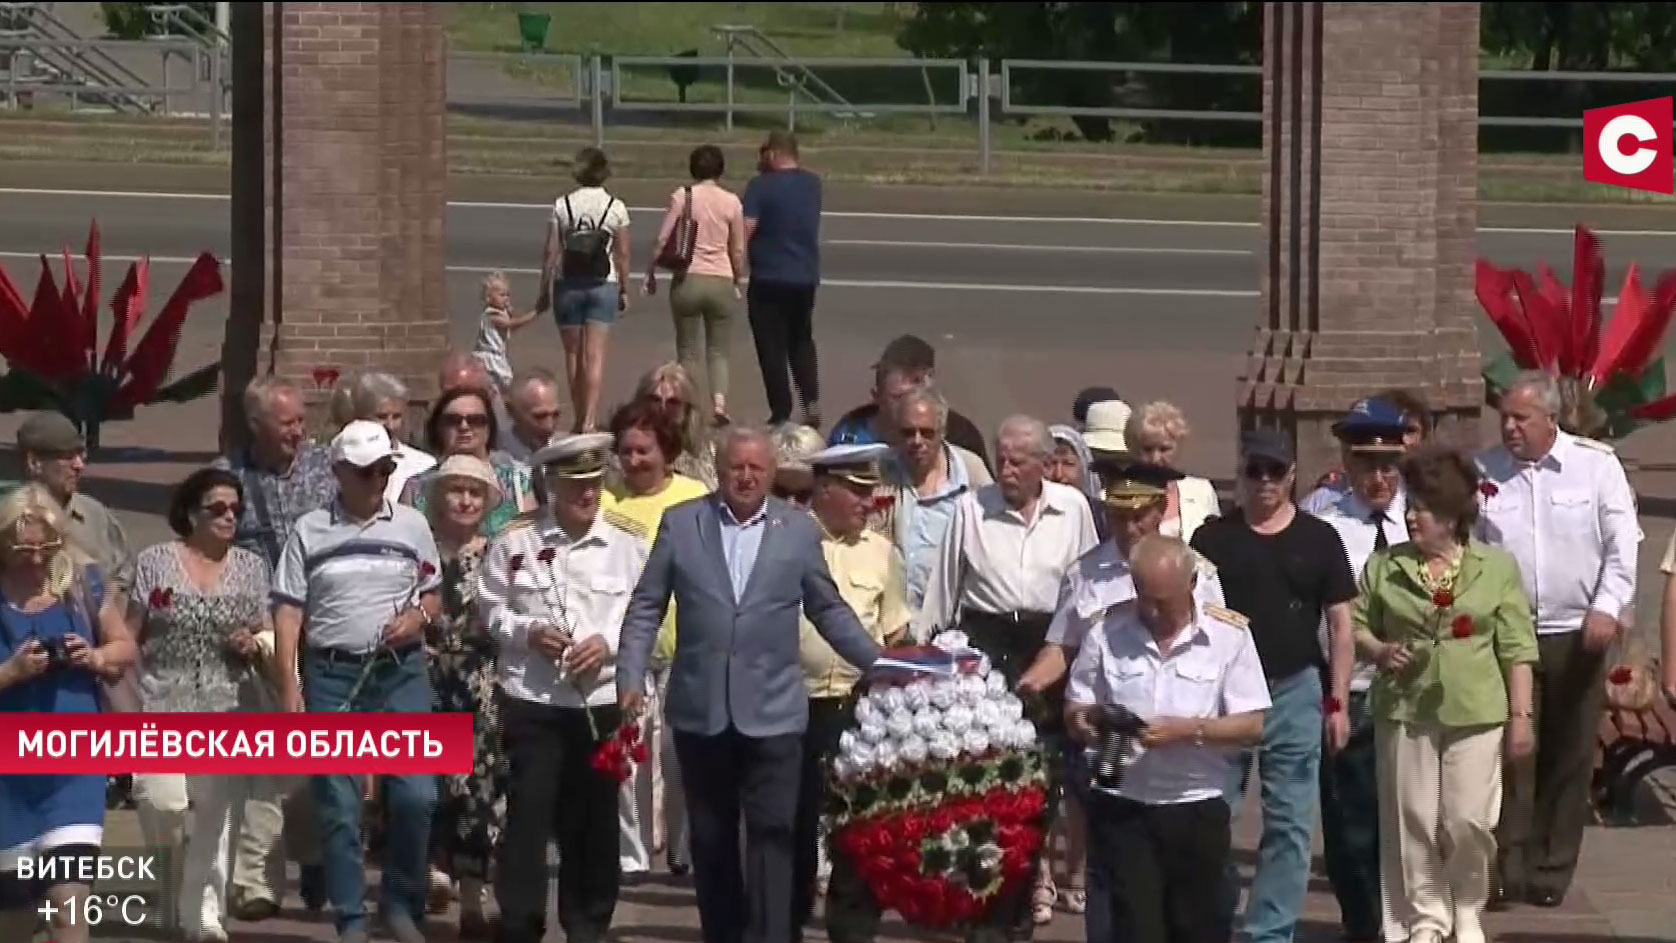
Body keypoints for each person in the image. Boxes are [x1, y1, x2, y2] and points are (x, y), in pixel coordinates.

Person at [617, 426, 884, 943]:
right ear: (719, 471)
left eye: (755, 468)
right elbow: (647, 605)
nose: (745, 476)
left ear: (770, 474)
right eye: (736, 467)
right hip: (702, 710)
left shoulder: (797, 531)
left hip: (776, 713)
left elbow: (827, 609)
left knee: (773, 838)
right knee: (712, 841)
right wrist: (630, 674)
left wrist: (879, 664)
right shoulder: (682, 524)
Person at [1018, 458, 1225, 941]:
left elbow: (1219, 651)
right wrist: (1024, 687)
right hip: (1105, 746)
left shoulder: (1197, 573)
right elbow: (1061, 647)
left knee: (1184, 891)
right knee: (1109, 875)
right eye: (1118, 516)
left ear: (1160, 510)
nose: (1129, 528)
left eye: (1139, 516)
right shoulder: (1087, 573)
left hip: (1179, 758)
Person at [912, 415, 1100, 936]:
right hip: (986, 645)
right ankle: (994, 896)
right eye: (1001, 457)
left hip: (1049, 644)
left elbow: (1085, 588)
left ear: (1044, 463)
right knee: (987, 781)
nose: (1007, 468)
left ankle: (1027, 883)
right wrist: (930, 665)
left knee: (1042, 780)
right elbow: (942, 593)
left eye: (1019, 459)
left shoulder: (1073, 510)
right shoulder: (972, 508)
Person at [271, 421, 444, 943]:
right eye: (367, 472)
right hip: (332, 673)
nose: (377, 481)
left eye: (385, 471)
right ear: (340, 472)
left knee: (417, 795)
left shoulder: (413, 525)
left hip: (400, 672)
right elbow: (287, 614)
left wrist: (418, 618)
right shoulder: (309, 531)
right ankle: (350, 917)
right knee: (340, 806)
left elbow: (432, 592)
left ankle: (400, 901)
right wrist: (290, 686)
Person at [1356, 446, 1536, 943]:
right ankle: (1427, 920)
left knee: (1467, 820)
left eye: (1425, 509)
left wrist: (1522, 717)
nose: (1412, 516)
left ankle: (1468, 906)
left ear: (1454, 516)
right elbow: (1354, 624)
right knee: (1411, 817)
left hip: (1477, 708)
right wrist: (1378, 650)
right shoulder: (1385, 566)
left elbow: (1519, 646)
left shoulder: (1496, 568)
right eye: (1411, 505)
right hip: (1405, 708)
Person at [477, 433, 651, 943]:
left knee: (594, 821)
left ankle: (588, 924)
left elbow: (647, 612)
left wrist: (610, 645)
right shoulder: (515, 540)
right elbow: (489, 607)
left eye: (595, 483)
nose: (588, 494)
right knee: (528, 815)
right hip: (532, 699)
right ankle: (520, 923)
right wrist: (528, 633)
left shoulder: (629, 541)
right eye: (576, 484)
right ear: (550, 484)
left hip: (598, 701)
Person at [1477, 371, 1639, 909]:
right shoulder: (1486, 472)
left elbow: (1622, 547)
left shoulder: (1595, 467)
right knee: (1513, 752)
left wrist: (1606, 608)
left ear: (1551, 419)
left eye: (1520, 418)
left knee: (1568, 756)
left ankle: (1550, 871)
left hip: (1578, 634)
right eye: (1504, 417)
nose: (1509, 427)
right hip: (1509, 637)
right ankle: (1505, 866)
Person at [1190, 428, 1356, 943]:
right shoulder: (1212, 538)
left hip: (1295, 690)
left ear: (1291, 475)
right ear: (1241, 472)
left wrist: (1338, 702)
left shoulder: (1318, 537)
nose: (1264, 482)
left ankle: (1270, 932)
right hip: (1226, 695)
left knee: (1290, 823)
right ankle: (1212, 920)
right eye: (1254, 470)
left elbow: (1341, 624)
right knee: (1214, 818)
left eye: (1275, 471)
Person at [1065, 534, 1270, 943]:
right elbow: (1076, 707)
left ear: (1192, 585)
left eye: (1164, 601)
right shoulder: (1107, 632)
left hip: (1194, 806)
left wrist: (1189, 730)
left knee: (1197, 928)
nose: (1152, 611)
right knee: (1136, 929)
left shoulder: (1228, 636)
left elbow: (1251, 725)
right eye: (1144, 597)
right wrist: (1089, 722)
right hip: (1124, 804)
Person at [130, 468, 274, 942]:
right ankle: (169, 890)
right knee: (162, 801)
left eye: (235, 509)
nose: (229, 516)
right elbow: (131, 633)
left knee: (216, 816)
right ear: (191, 513)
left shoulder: (252, 567)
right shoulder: (154, 562)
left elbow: (267, 629)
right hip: (160, 700)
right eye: (217, 508)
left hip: (227, 703)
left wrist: (253, 641)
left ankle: (205, 916)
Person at [213, 376, 335, 917]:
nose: (299, 432)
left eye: (301, 420)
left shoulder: (326, 467)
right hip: (257, 634)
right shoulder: (226, 479)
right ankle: (257, 882)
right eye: (287, 423)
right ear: (257, 426)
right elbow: (211, 558)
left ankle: (313, 854)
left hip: (322, 626)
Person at [0, 484, 137, 943]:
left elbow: (123, 648)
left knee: (68, 910)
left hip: (74, 767)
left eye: (47, 547)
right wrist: (12, 672)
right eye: (24, 549)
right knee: (15, 918)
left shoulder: (82, 581)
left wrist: (94, 658)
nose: (37, 559)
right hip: (9, 777)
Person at [792, 444, 912, 938]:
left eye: (872, 491)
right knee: (792, 822)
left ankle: (852, 928)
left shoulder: (883, 553)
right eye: (858, 491)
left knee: (857, 827)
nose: (869, 502)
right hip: (792, 706)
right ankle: (786, 918)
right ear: (824, 489)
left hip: (857, 707)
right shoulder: (789, 541)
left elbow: (896, 633)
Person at [1306, 397, 1412, 943]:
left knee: (1410, 817)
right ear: (1347, 463)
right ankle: (1363, 924)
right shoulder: (1325, 526)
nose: (1379, 477)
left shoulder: (1422, 523)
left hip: (1417, 695)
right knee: (1351, 822)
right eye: (1367, 464)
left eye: (1389, 464)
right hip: (1349, 689)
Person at [607, 401, 712, 877]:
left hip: (688, 647)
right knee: (627, 758)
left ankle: (683, 847)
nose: (633, 461)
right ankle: (631, 853)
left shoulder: (694, 496)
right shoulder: (608, 502)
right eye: (625, 451)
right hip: (628, 648)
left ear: (665, 450)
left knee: (679, 755)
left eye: (643, 451)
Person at [420, 456, 508, 940]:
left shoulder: (498, 554)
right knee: (430, 787)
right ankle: (432, 872)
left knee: (479, 792)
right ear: (439, 497)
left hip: (482, 684)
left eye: (475, 492)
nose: (466, 500)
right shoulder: (420, 552)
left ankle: (473, 900)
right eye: (456, 490)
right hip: (426, 678)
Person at [646, 143, 749, 426]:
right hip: (721, 279)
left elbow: (662, 239)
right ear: (721, 169)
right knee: (718, 350)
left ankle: (690, 402)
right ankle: (719, 403)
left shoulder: (683, 196)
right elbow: (738, 250)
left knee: (687, 349)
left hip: (688, 279)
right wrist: (736, 279)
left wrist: (651, 271)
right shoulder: (732, 202)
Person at [539, 147, 632, 434]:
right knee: (595, 355)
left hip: (568, 283)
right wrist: (625, 289)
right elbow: (623, 253)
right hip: (603, 284)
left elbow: (551, 251)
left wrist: (544, 289)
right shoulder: (615, 207)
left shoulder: (562, 204)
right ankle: (589, 419)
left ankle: (578, 414)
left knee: (572, 355)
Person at [875, 385, 991, 608]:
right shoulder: (881, 470)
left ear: (943, 431)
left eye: (927, 433)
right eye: (908, 433)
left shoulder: (971, 470)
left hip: (953, 619)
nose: (917, 441)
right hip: (897, 618)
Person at [744, 131, 824, 427]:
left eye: (763, 153)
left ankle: (781, 410)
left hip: (768, 275)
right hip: (804, 276)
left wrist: (734, 263)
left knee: (771, 345)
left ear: (774, 153)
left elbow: (747, 227)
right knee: (801, 340)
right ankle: (811, 398)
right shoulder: (812, 185)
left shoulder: (760, 186)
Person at [827, 335, 991, 470]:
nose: (906, 409)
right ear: (877, 396)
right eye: (897, 398)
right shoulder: (849, 433)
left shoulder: (960, 433)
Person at [326, 371, 438, 502]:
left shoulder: (423, 464)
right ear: (360, 417)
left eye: (396, 417)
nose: (390, 425)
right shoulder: (340, 462)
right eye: (381, 416)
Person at [1123, 401, 1219, 541]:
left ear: (1178, 447)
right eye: (1148, 449)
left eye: (1164, 449)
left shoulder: (1201, 491)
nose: (1155, 459)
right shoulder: (1116, 494)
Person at [473, 270, 539, 395]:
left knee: (500, 387)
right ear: (488, 297)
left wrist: (509, 310)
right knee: (504, 384)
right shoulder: (491, 314)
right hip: (489, 357)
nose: (506, 298)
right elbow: (511, 324)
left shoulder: (502, 312)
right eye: (501, 295)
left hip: (498, 356)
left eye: (507, 295)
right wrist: (534, 314)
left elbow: (512, 327)